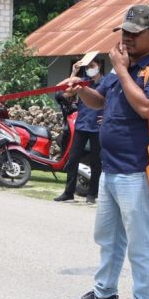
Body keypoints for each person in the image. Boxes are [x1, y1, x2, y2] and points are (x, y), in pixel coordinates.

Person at [66, 4, 149, 299]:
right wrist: (80, 88)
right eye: (124, 32)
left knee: (141, 242)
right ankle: (104, 295)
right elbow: (99, 101)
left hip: (140, 169)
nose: (126, 38)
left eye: (134, 33)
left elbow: (146, 107)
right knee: (108, 237)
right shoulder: (123, 68)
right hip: (112, 169)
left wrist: (122, 69)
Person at [54, 57, 104, 204]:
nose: (90, 68)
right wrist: (74, 72)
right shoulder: (81, 82)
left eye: (93, 65)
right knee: (73, 158)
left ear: (99, 66)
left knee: (96, 162)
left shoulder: (105, 82)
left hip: (98, 127)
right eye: (87, 66)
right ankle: (68, 192)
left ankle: (92, 194)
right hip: (82, 125)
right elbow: (61, 92)